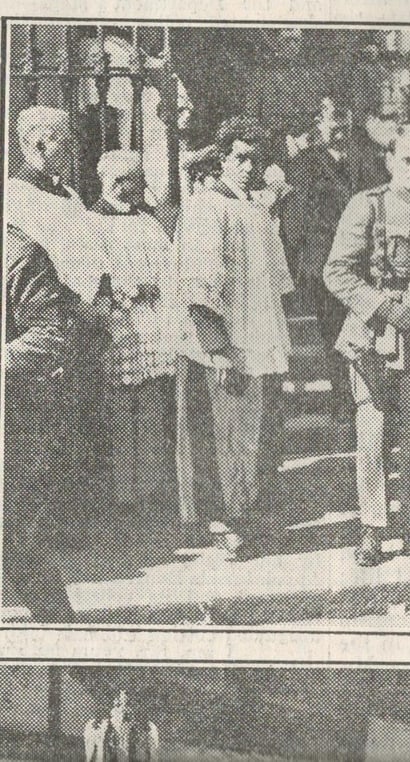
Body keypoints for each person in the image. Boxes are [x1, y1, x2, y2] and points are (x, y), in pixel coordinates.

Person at [324, 126, 410, 568]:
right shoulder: (366, 206)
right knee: (373, 432)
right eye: (406, 160)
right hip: (374, 334)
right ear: (389, 161)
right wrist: (386, 308)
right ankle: (372, 528)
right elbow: (338, 273)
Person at [173, 115, 294, 559]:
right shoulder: (208, 206)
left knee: (250, 434)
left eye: (257, 160)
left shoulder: (256, 209)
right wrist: (217, 348)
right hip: (223, 344)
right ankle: (224, 521)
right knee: (221, 434)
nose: (249, 167)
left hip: (257, 336)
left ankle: (248, 513)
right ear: (223, 159)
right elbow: (198, 283)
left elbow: (275, 281)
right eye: (241, 158)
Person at [6, 105, 113, 519]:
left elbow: (93, 252)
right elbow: (31, 269)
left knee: (84, 423)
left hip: (89, 327)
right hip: (55, 325)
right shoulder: (16, 197)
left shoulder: (67, 194)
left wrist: (102, 298)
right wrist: (78, 307)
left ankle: (79, 517)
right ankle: (52, 523)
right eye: (65, 140)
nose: (72, 147)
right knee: (52, 431)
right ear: (38, 143)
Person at [283, 97, 386, 438]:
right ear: (318, 126)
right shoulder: (306, 165)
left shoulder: (366, 160)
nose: (340, 135)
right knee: (333, 332)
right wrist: (300, 258)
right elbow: (296, 217)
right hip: (324, 260)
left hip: (362, 260)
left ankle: (372, 396)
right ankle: (342, 396)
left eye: (345, 128)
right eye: (333, 128)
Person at [90, 150, 177, 517]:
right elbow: (96, 274)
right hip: (122, 325)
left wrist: (161, 290)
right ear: (114, 183)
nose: (141, 185)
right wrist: (134, 291)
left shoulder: (148, 220)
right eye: (134, 179)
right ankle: (125, 492)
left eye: (140, 177)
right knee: (124, 407)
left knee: (153, 403)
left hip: (156, 323)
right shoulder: (91, 223)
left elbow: (169, 262)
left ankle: (154, 486)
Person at [3, 223, 76, 622]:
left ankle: (89, 674)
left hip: (13, 427)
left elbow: (52, 333)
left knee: (22, 548)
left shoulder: (20, 254)